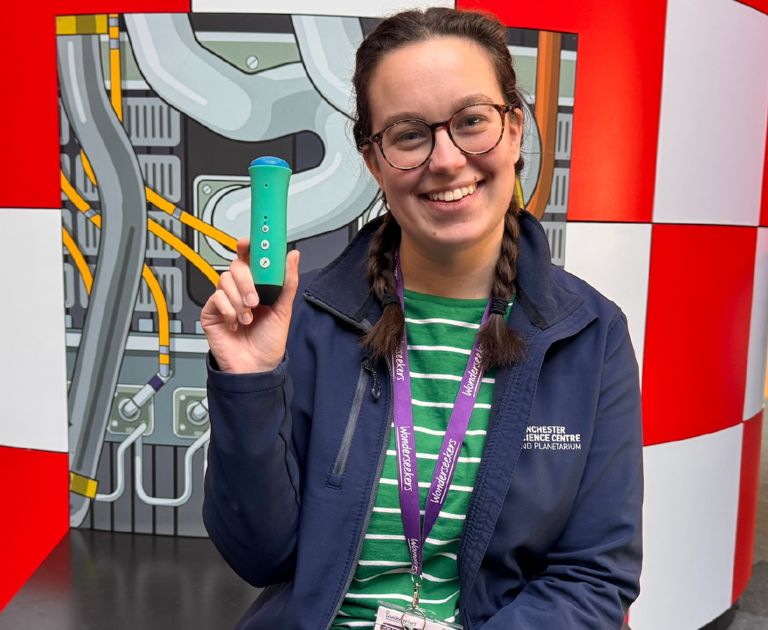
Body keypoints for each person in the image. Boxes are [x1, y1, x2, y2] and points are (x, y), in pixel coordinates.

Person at [201, 8, 642, 630]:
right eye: (410, 134)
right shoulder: (310, 318)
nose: (447, 158)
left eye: (471, 122)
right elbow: (260, 554)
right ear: (374, 160)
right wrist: (250, 378)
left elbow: (594, 577)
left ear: (515, 131)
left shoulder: (589, 335)